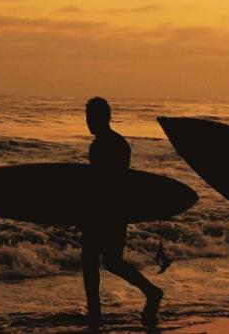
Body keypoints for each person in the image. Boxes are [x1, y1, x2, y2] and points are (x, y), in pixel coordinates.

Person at [81, 97, 163, 331]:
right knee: (112, 262)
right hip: (118, 211)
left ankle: (95, 316)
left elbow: (99, 183)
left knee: (91, 262)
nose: (88, 122)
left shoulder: (100, 146)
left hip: (102, 211)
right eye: (87, 118)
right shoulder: (120, 143)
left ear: (102, 118)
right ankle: (151, 292)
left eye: (91, 118)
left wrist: (85, 211)